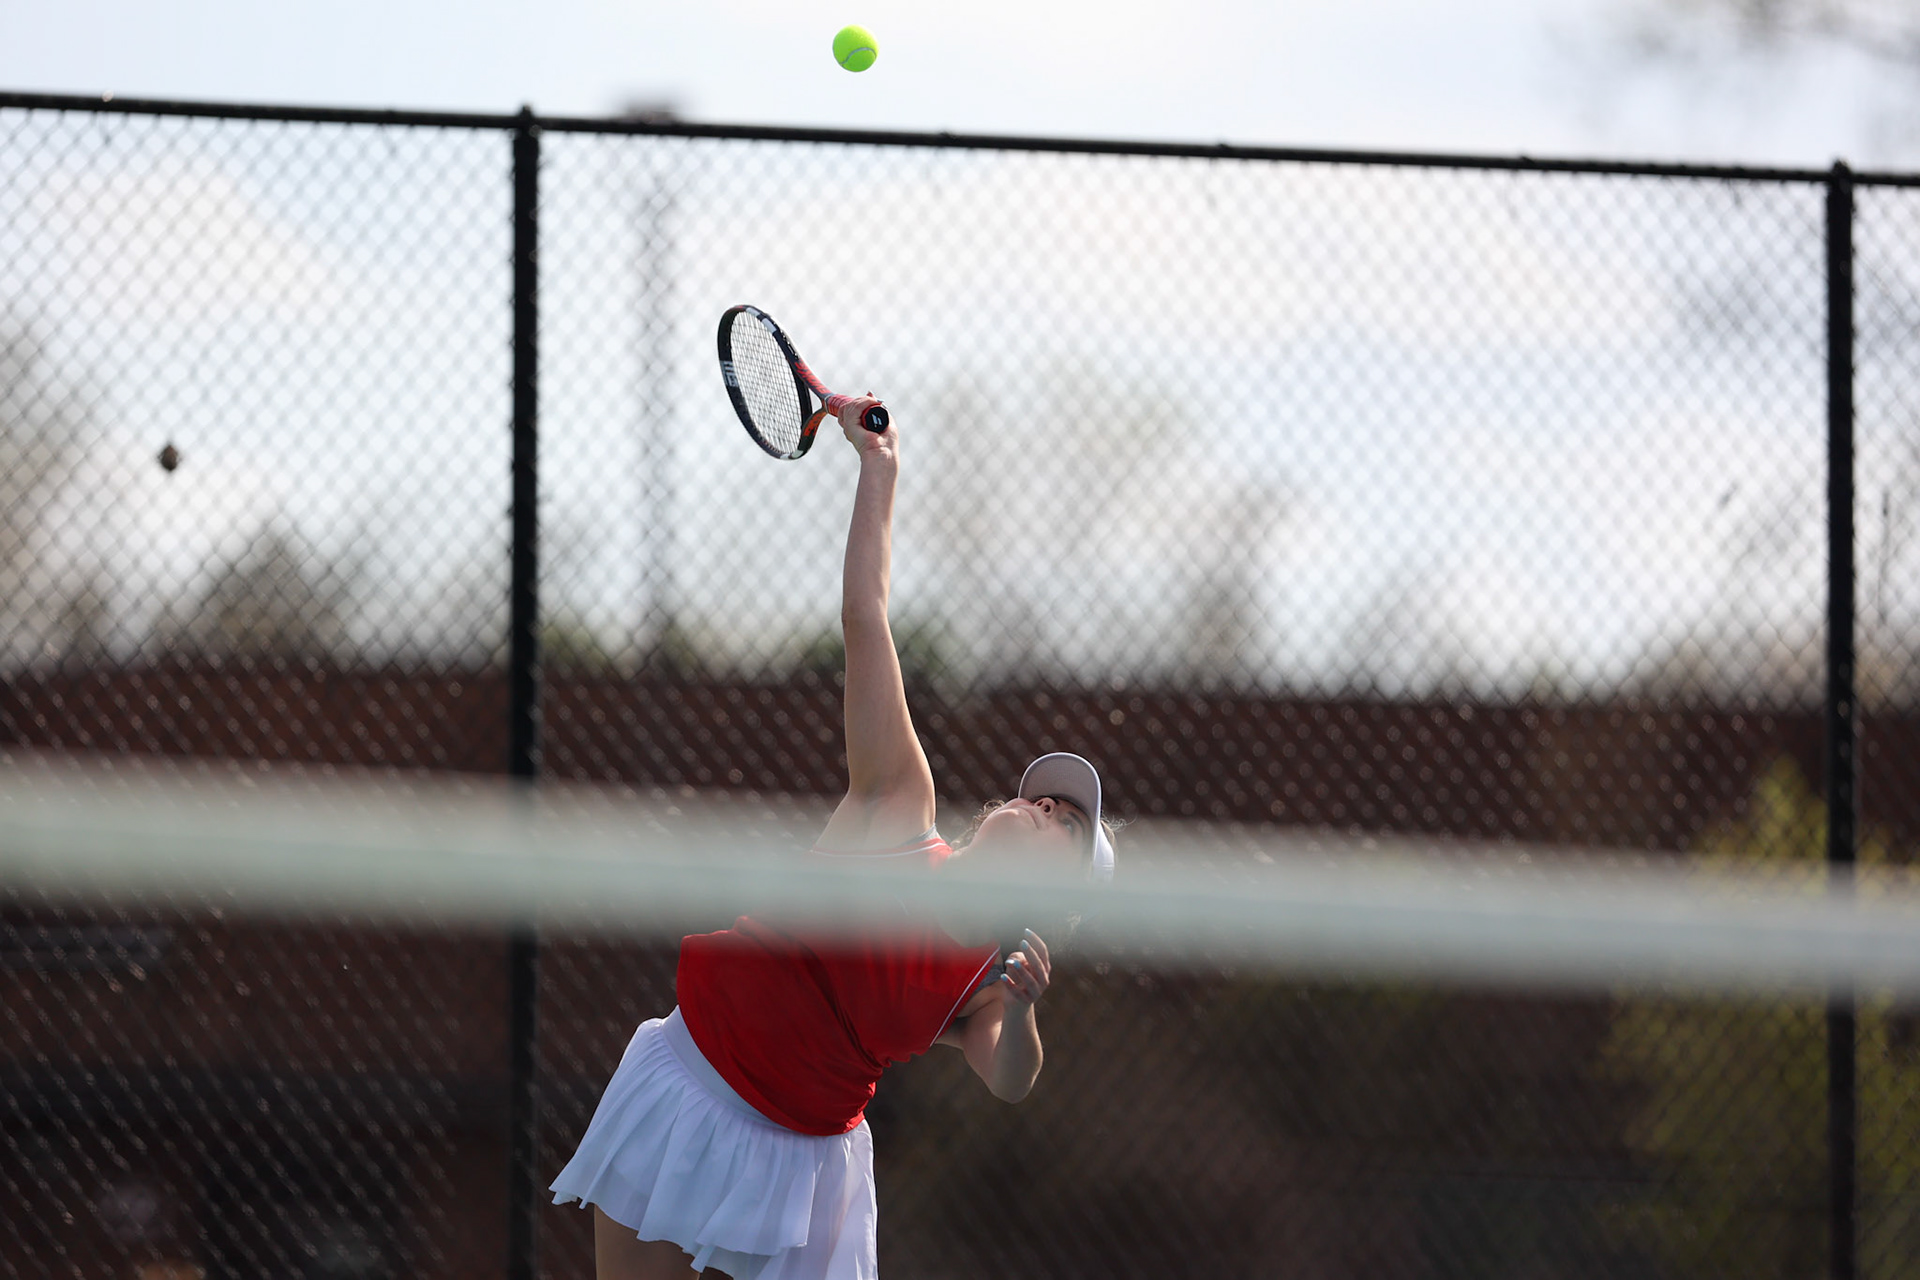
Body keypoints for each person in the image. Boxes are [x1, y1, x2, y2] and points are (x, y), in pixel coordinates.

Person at [550, 394, 1117, 1280]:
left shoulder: (991, 984)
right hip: (690, 1081)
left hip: (800, 1168)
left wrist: (1029, 1013)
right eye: (1046, 800)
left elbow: (1013, 1078)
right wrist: (880, 475)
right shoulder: (899, 804)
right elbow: (867, 621)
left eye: (1069, 824)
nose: (1046, 809)